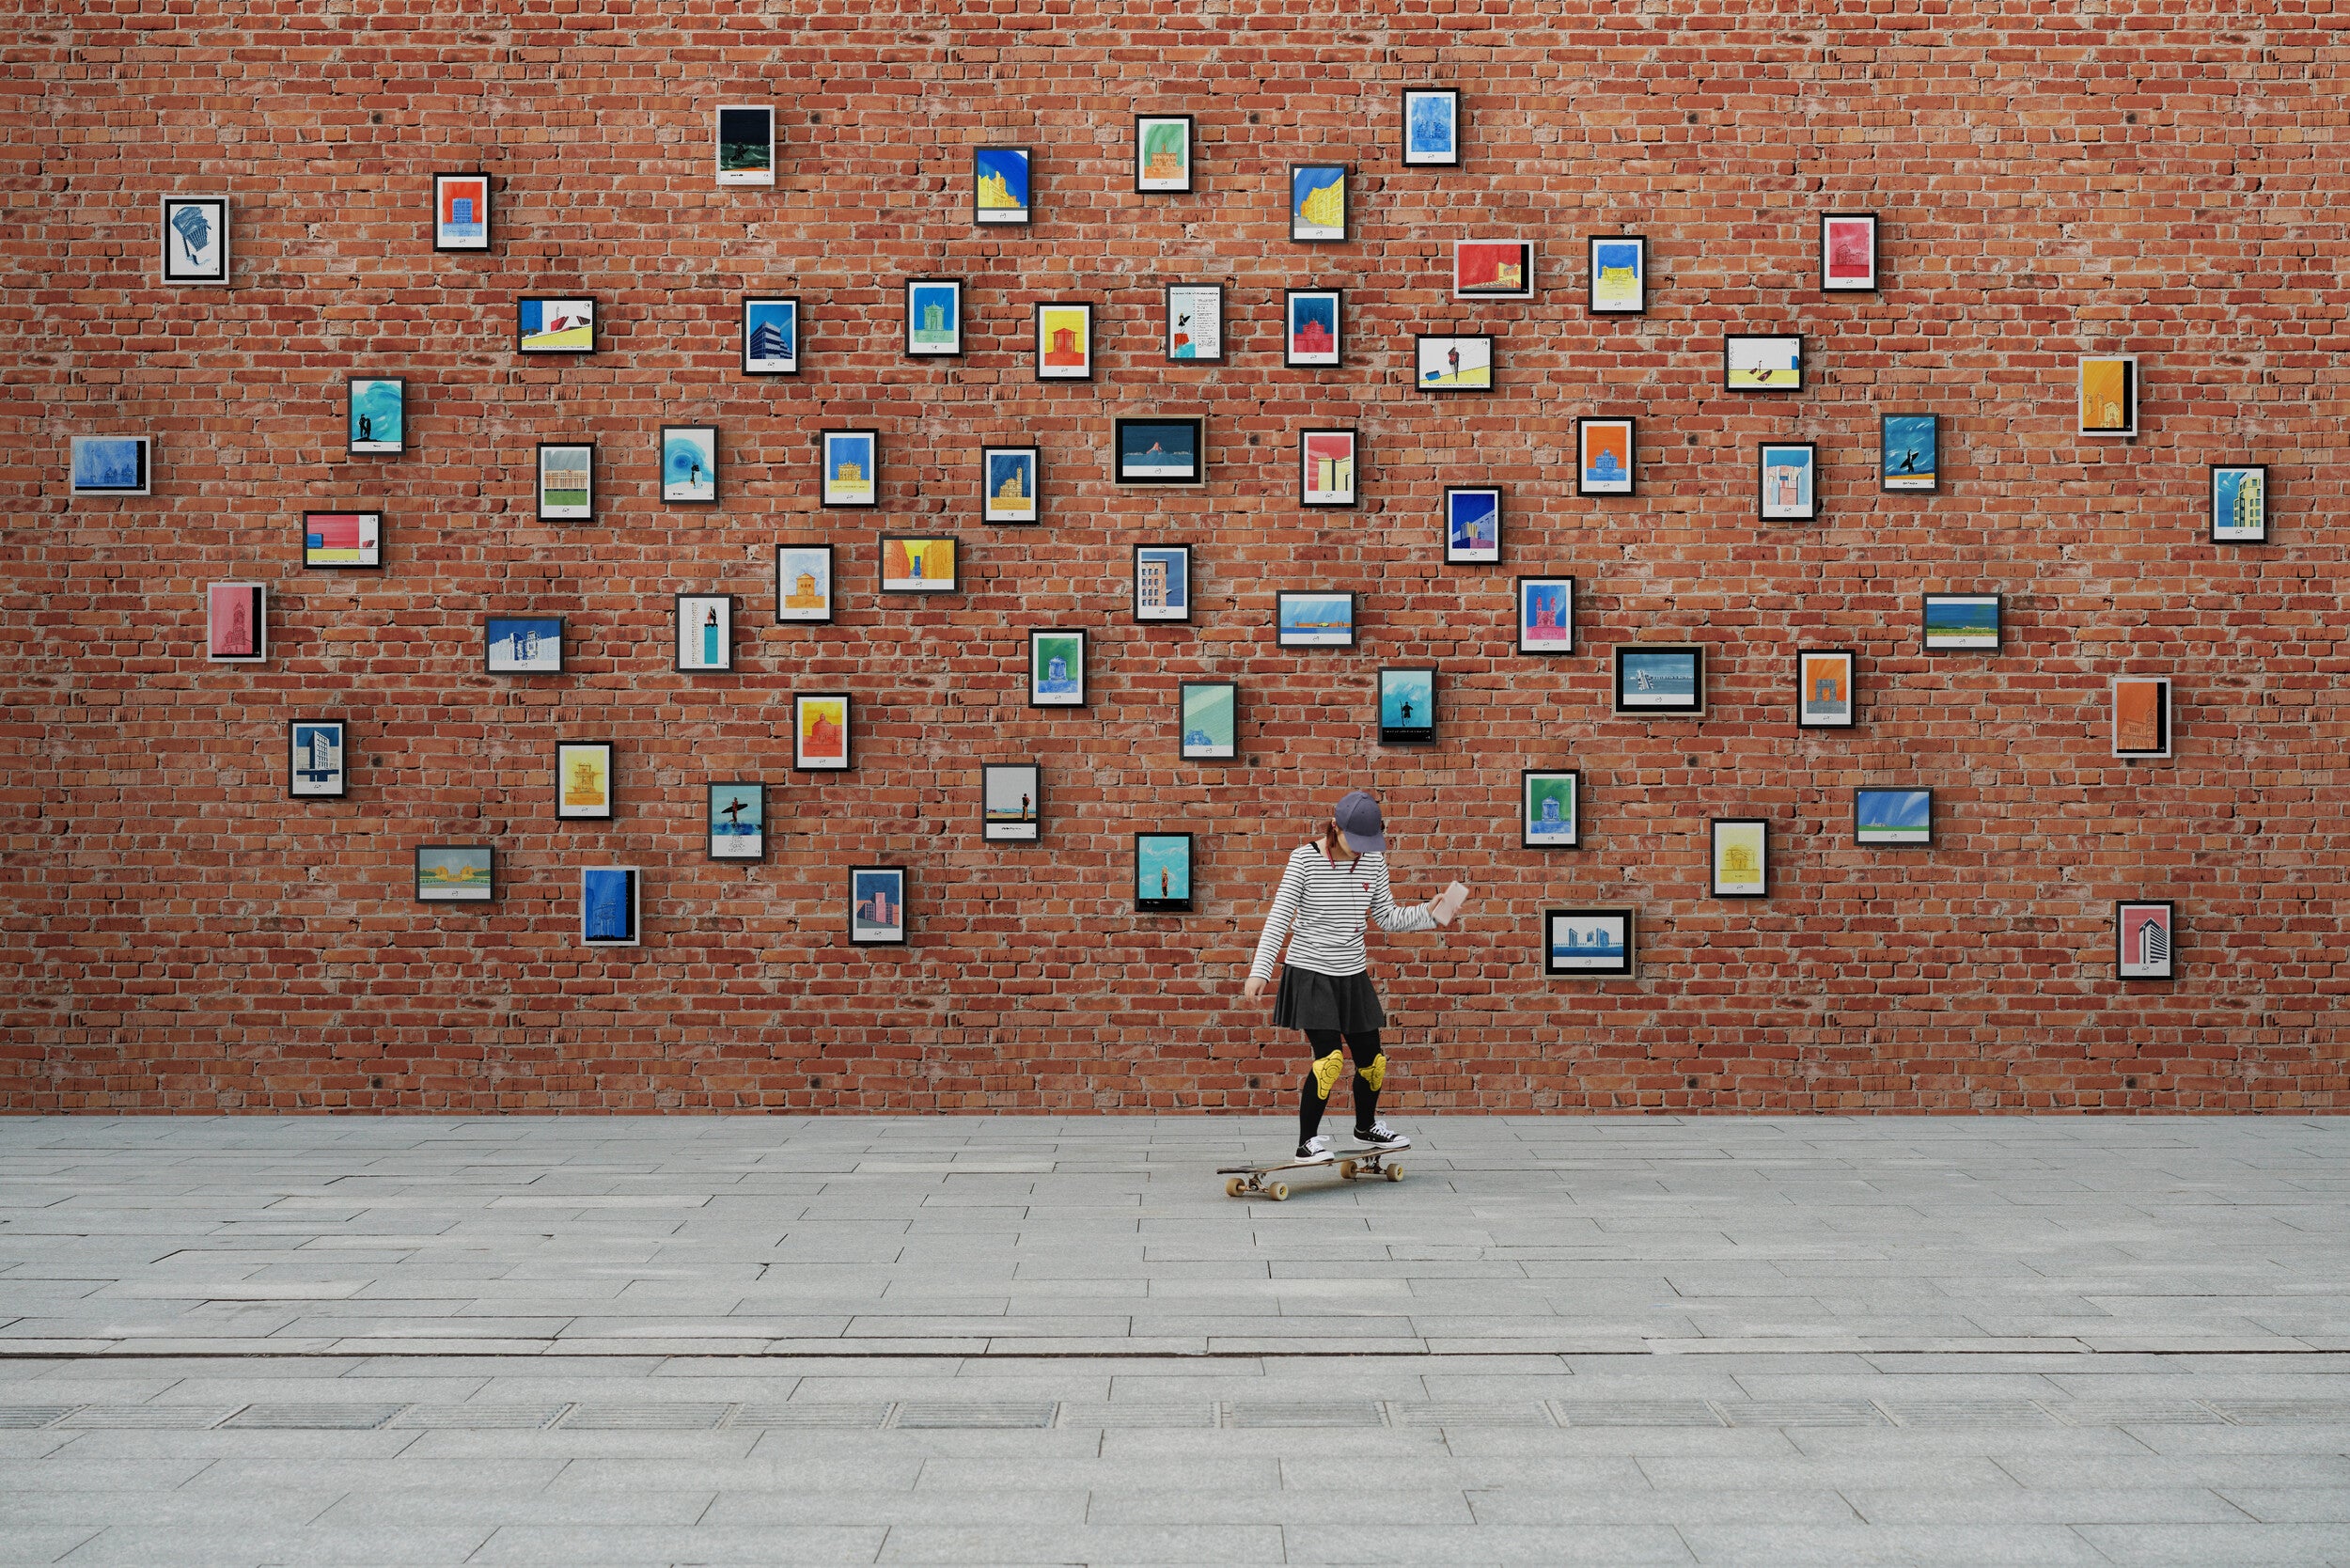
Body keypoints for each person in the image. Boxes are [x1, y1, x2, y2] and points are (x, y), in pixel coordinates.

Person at [1242, 791, 1469, 1165]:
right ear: (1335, 827)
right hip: (1311, 972)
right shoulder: (1303, 861)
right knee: (1329, 1060)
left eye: (1369, 843)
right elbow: (1279, 918)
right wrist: (1260, 972)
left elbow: (1388, 916)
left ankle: (1365, 1126)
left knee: (1372, 1061)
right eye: (1355, 842)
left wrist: (1430, 912)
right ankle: (1306, 1143)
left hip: (1352, 973)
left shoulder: (1373, 861)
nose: (1362, 850)